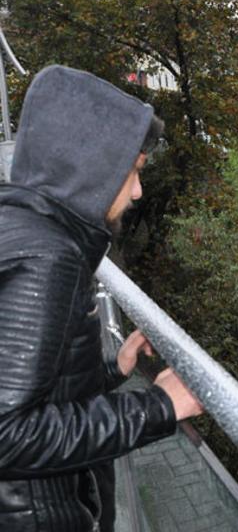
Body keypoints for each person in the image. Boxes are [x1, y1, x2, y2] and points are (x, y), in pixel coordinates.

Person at [0, 65, 204, 531]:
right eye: (131, 172)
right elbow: (6, 435)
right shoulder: (50, 256)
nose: (137, 191)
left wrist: (116, 368)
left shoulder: (20, 228)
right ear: (89, 164)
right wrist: (159, 407)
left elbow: (32, 386)